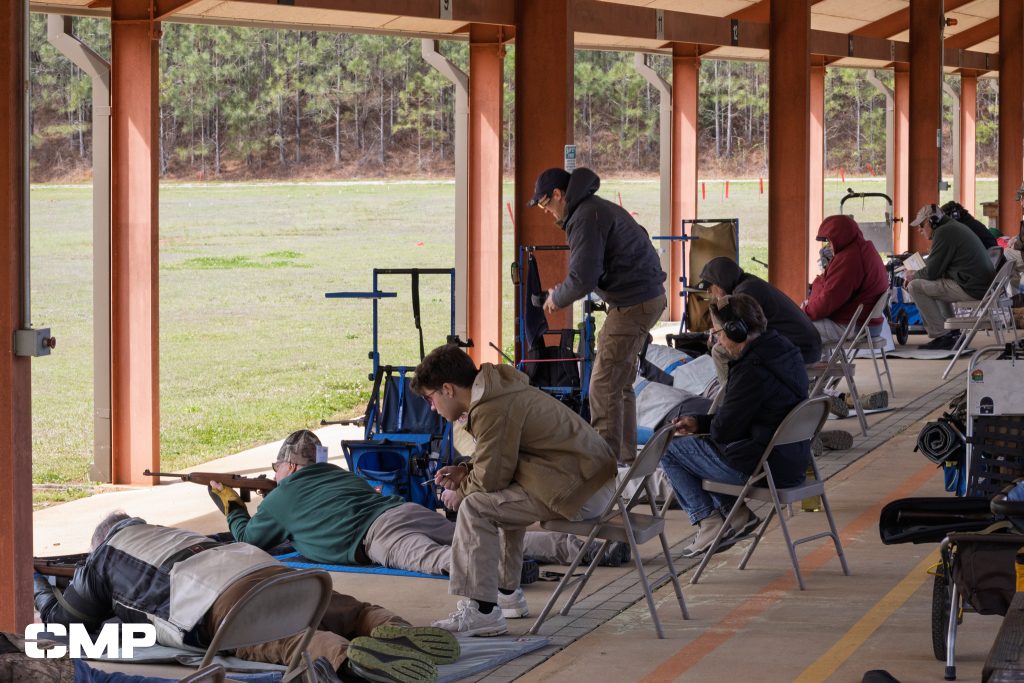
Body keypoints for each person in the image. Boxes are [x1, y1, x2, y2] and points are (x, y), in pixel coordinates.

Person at [33, 511, 460, 683]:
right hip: (277, 574)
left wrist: (36, 582)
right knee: (355, 611)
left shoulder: (105, 556)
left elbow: (63, 630)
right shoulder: (171, 532)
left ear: (101, 542)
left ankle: (349, 660)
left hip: (219, 600)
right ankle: (397, 630)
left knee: (290, 640)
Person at [209, 430, 626, 591]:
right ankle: (586, 546)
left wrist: (231, 506)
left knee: (437, 561)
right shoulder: (339, 475)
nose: (275, 474)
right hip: (404, 511)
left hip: (378, 536)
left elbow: (251, 540)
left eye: (278, 468)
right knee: (490, 536)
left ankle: (503, 570)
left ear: (291, 466)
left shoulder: (281, 497)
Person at [410, 344, 618, 636]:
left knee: (475, 507)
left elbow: (492, 478)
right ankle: (506, 594)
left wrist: (461, 491)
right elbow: (502, 461)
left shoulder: (492, 407)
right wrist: (466, 471)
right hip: (588, 480)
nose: (432, 407)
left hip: (579, 489)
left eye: (430, 399)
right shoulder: (499, 390)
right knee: (498, 500)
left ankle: (482, 611)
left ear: (447, 389)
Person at [529, 166, 667, 463]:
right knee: (619, 382)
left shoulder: (584, 217)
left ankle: (603, 471)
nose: (545, 211)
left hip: (633, 303)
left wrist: (558, 299)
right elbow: (589, 271)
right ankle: (626, 462)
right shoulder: (593, 209)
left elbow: (583, 277)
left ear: (558, 194)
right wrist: (562, 290)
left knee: (602, 384)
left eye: (544, 204)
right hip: (643, 298)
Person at [659, 294, 811, 557]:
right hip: (794, 462)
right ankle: (735, 514)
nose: (717, 340)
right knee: (702, 444)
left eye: (718, 332)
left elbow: (724, 431)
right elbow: (742, 417)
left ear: (736, 330)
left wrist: (705, 427)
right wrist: (700, 423)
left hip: (765, 470)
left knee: (669, 447)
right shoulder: (785, 350)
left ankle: (709, 521)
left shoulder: (750, 369)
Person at [905, 204, 995, 350]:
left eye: (921, 224)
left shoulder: (944, 232)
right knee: (934, 284)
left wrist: (913, 275)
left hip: (972, 288)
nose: (919, 229)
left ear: (932, 221)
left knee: (915, 287)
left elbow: (931, 273)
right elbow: (937, 269)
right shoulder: (952, 228)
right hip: (979, 285)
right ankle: (952, 332)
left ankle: (942, 335)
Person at [803, 215, 889, 347]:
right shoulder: (863, 249)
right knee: (797, 317)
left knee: (792, 328)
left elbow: (828, 301)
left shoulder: (850, 259)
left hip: (854, 327)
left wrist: (805, 312)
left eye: (830, 241)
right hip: (867, 324)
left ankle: (806, 366)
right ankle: (822, 365)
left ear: (839, 237)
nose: (829, 246)